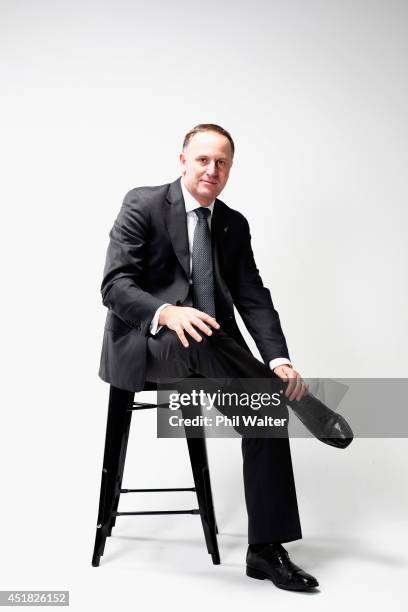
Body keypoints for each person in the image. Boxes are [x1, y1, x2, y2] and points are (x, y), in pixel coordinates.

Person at [99, 124, 319, 591]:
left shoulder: (232, 224)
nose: (211, 169)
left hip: (216, 355)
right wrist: (168, 312)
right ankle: (288, 396)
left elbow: (252, 296)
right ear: (183, 161)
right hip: (151, 346)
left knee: (264, 411)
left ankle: (265, 550)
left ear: (230, 170)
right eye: (203, 159)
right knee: (198, 330)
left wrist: (278, 359)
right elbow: (114, 286)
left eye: (221, 162)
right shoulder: (143, 204)